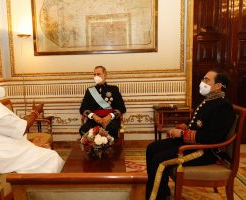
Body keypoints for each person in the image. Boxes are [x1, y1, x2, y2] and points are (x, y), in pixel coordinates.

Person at [146, 69, 235, 200]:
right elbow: (197, 125)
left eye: (207, 80)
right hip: (191, 144)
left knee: (159, 160)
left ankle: (155, 197)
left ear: (218, 86)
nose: (202, 82)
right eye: (203, 79)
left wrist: (182, 133)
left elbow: (212, 138)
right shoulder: (207, 101)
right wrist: (182, 128)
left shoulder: (223, 107)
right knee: (151, 148)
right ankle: (162, 190)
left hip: (204, 151)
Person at [0, 63, 64, 174]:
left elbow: (5, 132)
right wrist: (36, 112)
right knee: (52, 157)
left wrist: (30, 145)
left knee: (42, 150)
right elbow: (22, 129)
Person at [79, 66, 126, 138]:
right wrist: (93, 116)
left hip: (110, 119)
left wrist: (110, 116)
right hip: (94, 120)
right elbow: (83, 108)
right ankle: (93, 148)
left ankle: (110, 149)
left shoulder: (114, 89)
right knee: (83, 129)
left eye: (98, 74)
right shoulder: (90, 90)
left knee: (112, 128)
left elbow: (121, 108)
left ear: (105, 75)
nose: (96, 76)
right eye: (94, 75)